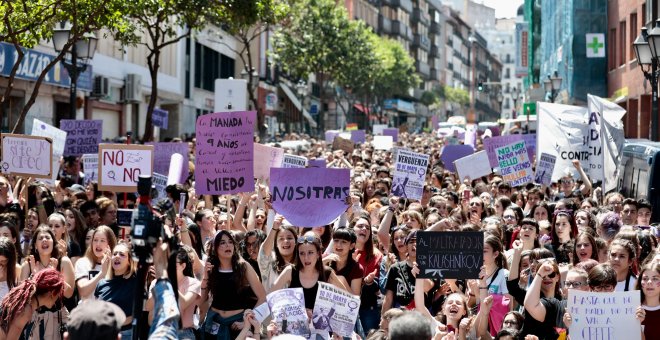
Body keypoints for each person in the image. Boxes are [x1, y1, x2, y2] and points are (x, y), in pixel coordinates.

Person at [201, 230, 265, 339]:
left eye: (230, 242)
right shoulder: (211, 266)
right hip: (214, 323)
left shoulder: (243, 266)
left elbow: (262, 297)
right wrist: (205, 277)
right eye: (222, 242)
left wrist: (247, 322)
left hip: (237, 324)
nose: (228, 245)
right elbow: (202, 299)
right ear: (215, 248)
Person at [0, 268, 64, 340]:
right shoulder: (25, 310)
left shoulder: (26, 304)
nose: (58, 298)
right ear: (52, 293)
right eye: (59, 293)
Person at [93, 242, 137, 338]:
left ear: (129, 261)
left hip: (125, 334)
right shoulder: (101, 283)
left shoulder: (135, 282)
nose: (117, 256)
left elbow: (136, 315)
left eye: (122, 254)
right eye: (114, 254)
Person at [74, 225, 116, 301]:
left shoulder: (116, 264)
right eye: (95, 240)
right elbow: (83, 291)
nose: (98, 244)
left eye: (102, 240)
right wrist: (102, 273)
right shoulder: (83, 263)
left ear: (110, 244)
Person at [636, 261, 660, 339]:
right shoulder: (632, 308)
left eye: (655, 279)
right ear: (640, 282)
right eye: (645, 279)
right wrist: (636, 325)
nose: (649, 282)